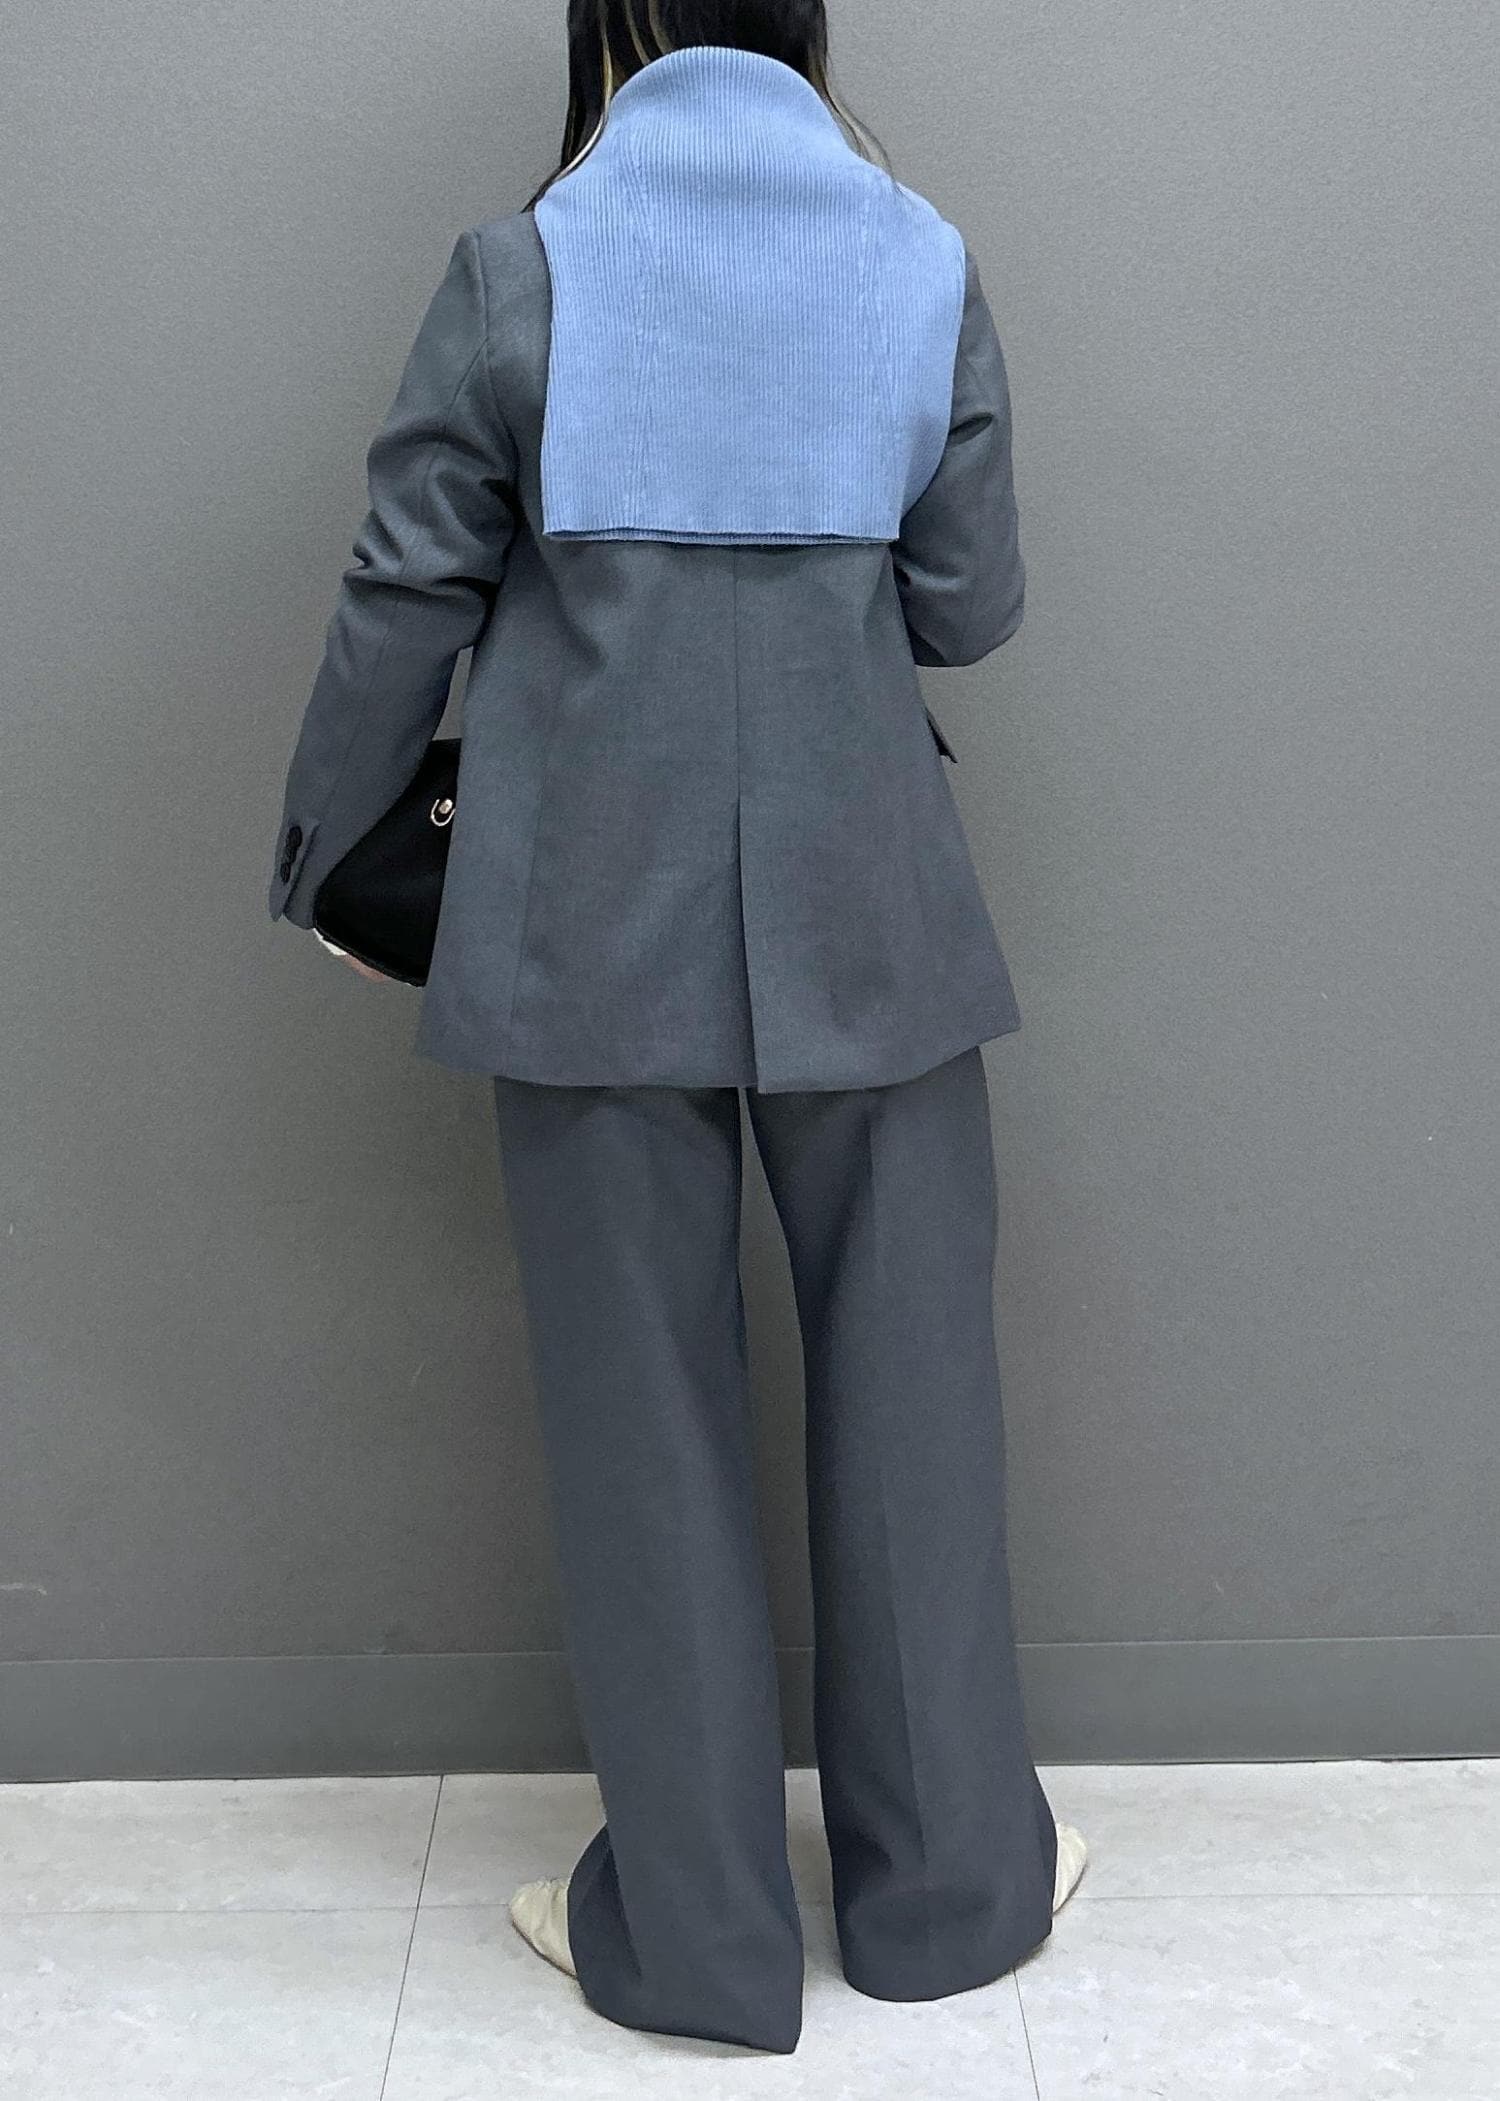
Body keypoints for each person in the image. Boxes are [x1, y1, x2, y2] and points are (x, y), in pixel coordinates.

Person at [268, 0, 1087, 2058]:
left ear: (613, 20)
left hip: (582, 919)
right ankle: (950, 1896)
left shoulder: (521, 270)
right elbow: (969, 604)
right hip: (868, 905)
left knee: (643, 1417)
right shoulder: (918, 256)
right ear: (802, 17)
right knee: (916, 1394)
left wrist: (327, 858)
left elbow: (402, 586)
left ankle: (699, 1939)